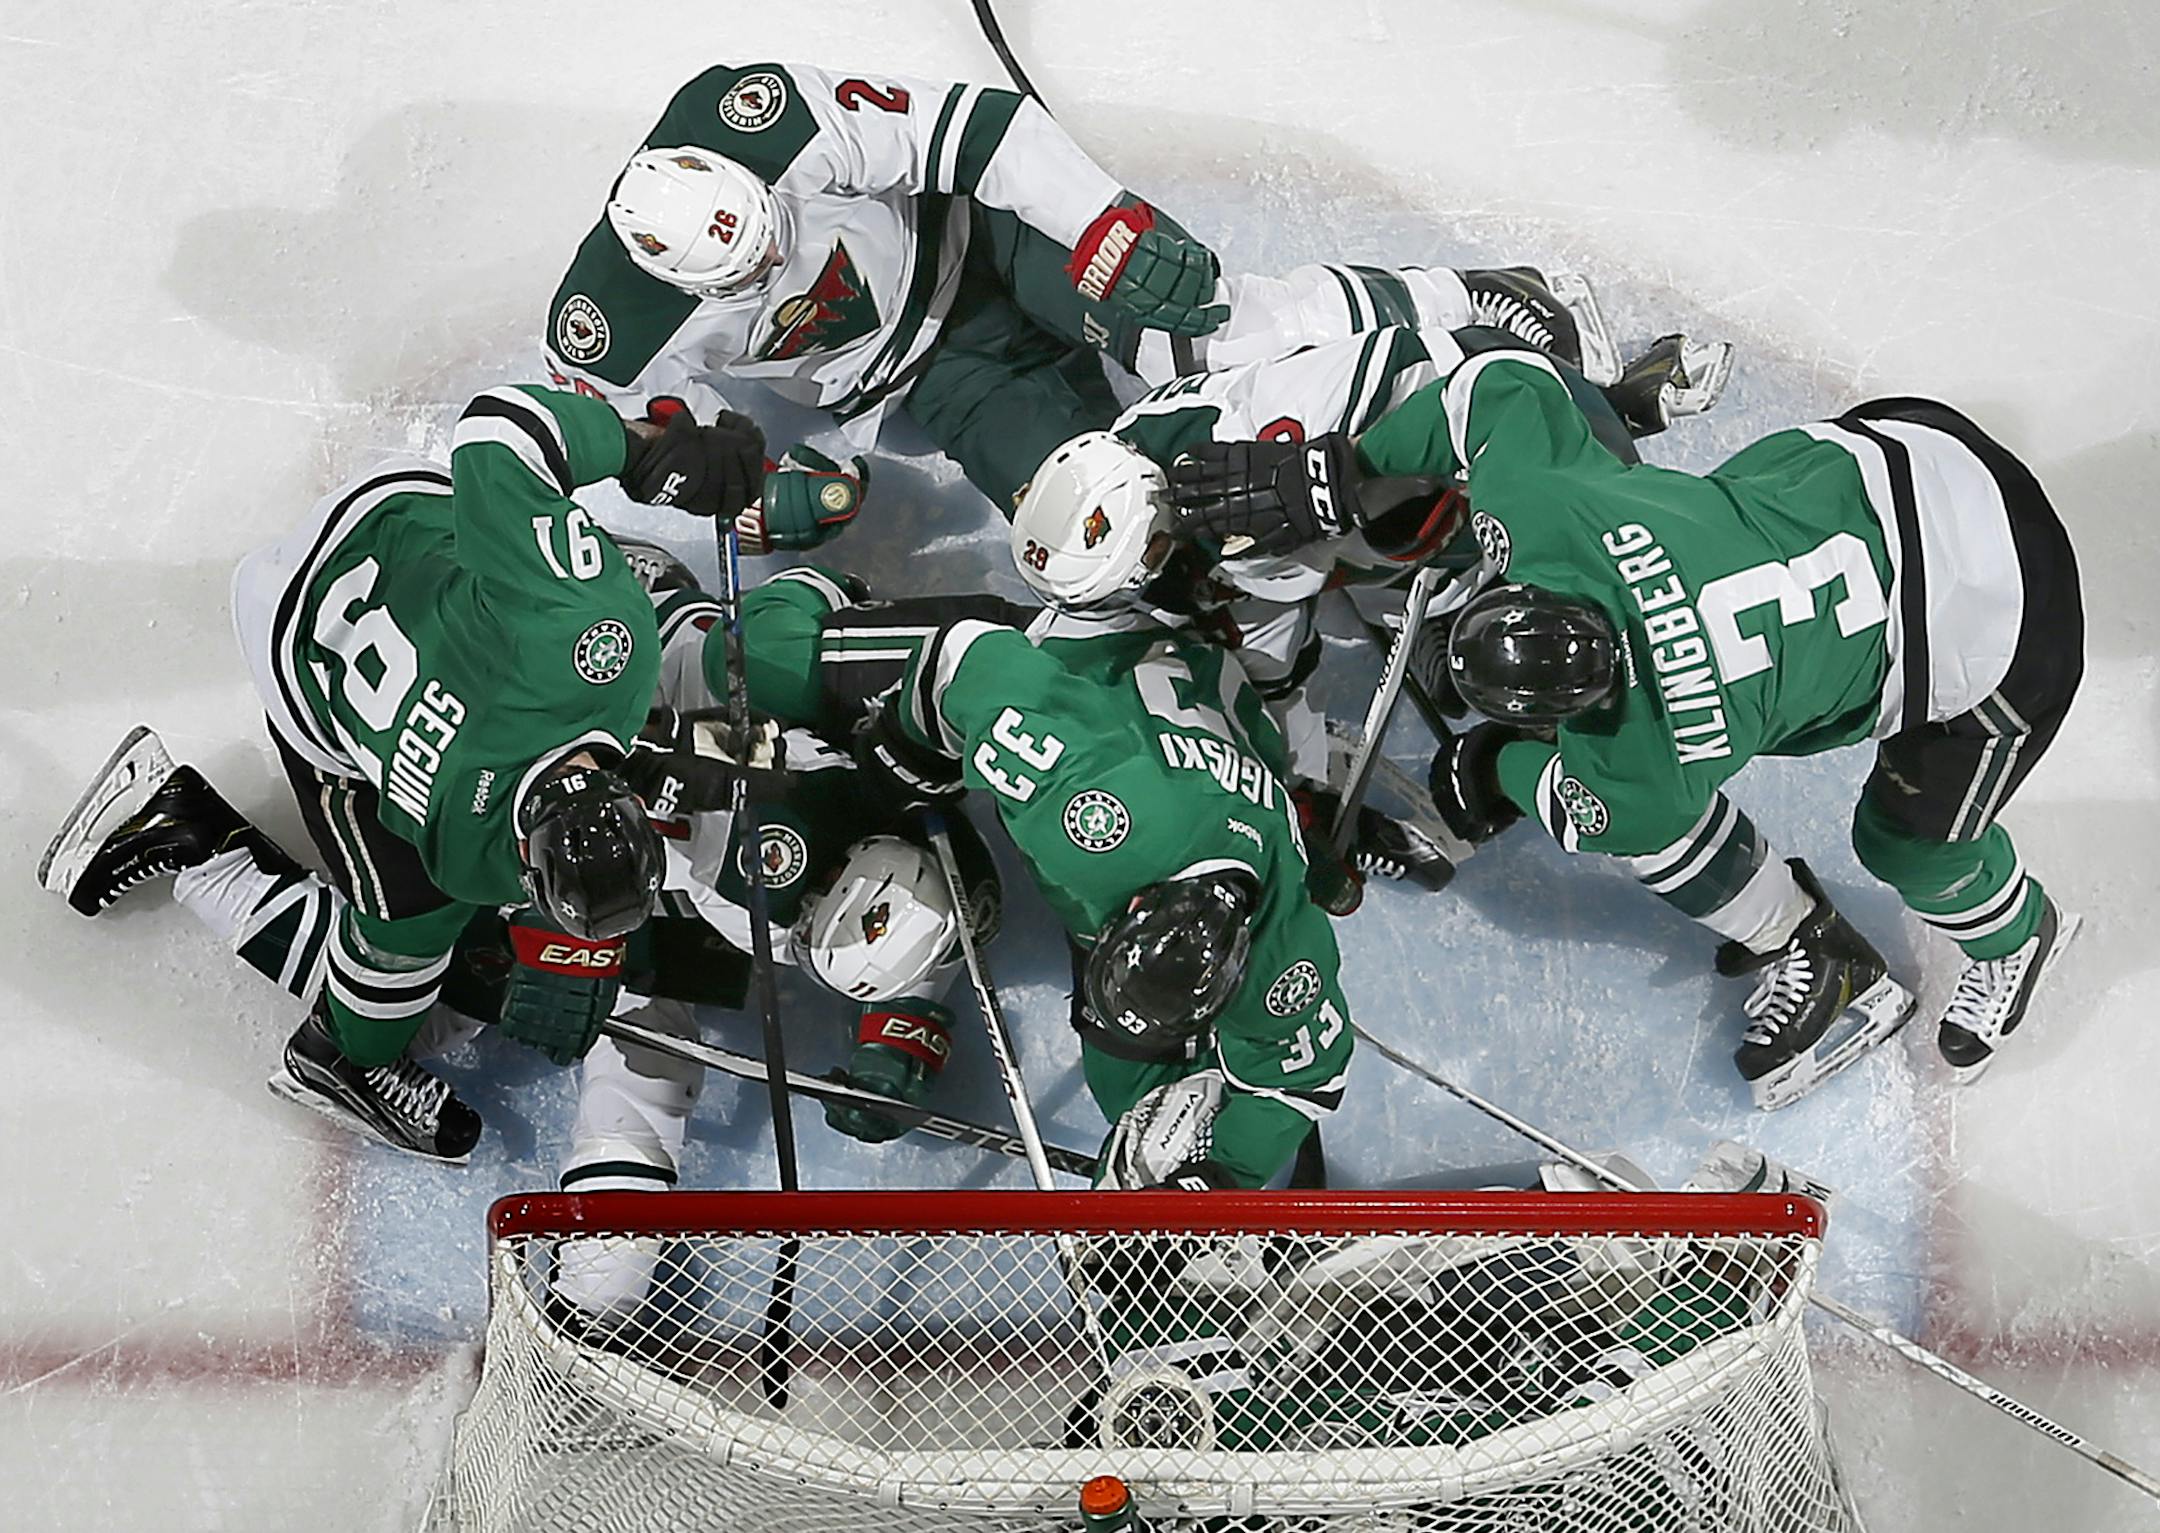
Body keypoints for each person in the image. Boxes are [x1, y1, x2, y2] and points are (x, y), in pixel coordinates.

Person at [1167, 346, 2083, 1104]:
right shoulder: (1562, 516)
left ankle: (1985, 933)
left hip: (2007, 618)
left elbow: (1581, 810)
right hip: (1923, 464)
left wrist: (1495, 765)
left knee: (1907, 845)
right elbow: (1502, 383)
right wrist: (1336, 479)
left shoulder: (1641, 761)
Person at [38, 385, 771, 1159]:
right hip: (296, 666)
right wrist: (519, 954)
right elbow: (428, 927)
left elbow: (500, 426)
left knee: (560, 569)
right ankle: (200, 852)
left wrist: (645, 451)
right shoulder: (464, 861)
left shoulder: (601, 638)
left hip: (379, 516)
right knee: (394, 977)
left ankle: (578, 547)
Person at [541, 59, 1627, 529]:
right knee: (1117, 498)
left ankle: (1476, 297)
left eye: (771, 222)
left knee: (1191, 332)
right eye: (744, 270)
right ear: (670, 274)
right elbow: (608, 440)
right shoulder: (606, 324)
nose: (773, 252)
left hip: (986, 237)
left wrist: (1106, 219)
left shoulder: (751, 115)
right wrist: (689, 462)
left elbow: (972, 129)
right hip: (928, 381)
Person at [1005, 322, 1731, 782]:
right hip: (1393, 542)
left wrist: (1344, 474)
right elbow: (1271, 658)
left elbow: (1453, 367)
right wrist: (1307, 782)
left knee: (1589, 612)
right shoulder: (1167, 540)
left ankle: (1619, 402)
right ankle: (1441, 593)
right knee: (1445, 655)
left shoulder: (1248, 429)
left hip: (1507, 422)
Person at [839, 608, 1357, 1191]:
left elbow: (1306, 1077)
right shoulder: (1087, 818)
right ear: (1135, 910)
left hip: (1209, 760)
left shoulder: (1280, 951)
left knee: (1126, 1091)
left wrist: (1218, 1181)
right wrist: (909, 751)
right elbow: (965, 650)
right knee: (789, 661)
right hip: (1099, 639)